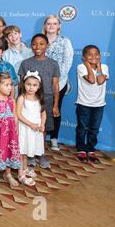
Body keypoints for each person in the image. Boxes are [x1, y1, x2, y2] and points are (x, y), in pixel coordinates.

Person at [19, 34, 60, 169]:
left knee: (42, 127)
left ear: (47, 45)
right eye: (35, 44)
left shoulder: (53, 63)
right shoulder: (26, 63)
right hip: (28, 101)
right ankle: (30, 154)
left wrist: (55, 105)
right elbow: (21, 84)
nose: (38, 47)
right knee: (28, 127)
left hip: (46, 99)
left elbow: (55, 85)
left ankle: (40, 153)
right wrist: (21, 101)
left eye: (42, 44)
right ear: (31, 46)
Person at [43, 15, 74, 151]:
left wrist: (55, 78)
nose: (51, 26)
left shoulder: (65, 41)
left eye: (54, 23)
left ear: (59, 26)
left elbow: (67, 62)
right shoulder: (40, 40)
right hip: (40, 83)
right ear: (45, 25)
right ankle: (39, 138)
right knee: (39, 110)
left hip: (59, 83)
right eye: (49, 23)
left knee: (55, 110)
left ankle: (54, 138)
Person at [75, 45, 109, 163]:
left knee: (94, 129)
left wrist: (98, 66)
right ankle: (81, 149)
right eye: (90, 55)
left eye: (96, 54)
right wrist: (88, 65)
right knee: (82, 128)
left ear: (100, 56)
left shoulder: (104, 67)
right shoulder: (81, 67)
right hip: (84, 103)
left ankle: (91, 149)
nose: (93, 57)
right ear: (84, 57)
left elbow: (100, 81)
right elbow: (91, 80)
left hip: (99, 105)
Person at [16, 71, 46, 186]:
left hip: (35, 129)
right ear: (24, 84)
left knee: (28, 149)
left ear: (39, 87)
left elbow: (43, 113)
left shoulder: (39, 98)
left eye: (34, 85)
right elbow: (18, 114)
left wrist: (42, 124)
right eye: (28, 84)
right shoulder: (22, 98)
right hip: (25, 128)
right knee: (22, 151)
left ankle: (25, 168)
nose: (31, 87)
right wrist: (30, 124)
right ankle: (20, 174)